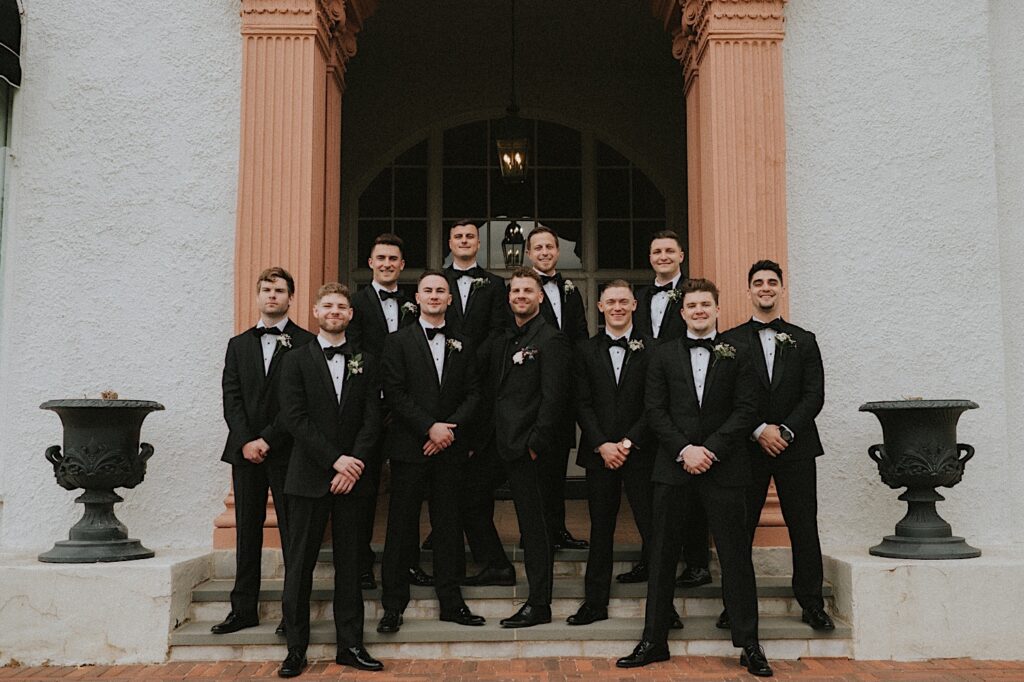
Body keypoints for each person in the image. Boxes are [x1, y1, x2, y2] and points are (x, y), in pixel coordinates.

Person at [617, 278, 773, 677]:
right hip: (674, 466)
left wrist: (711, 450)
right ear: (682, 312)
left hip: (726, 467)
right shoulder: (663, 355)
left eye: (706, 304)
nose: (699, 311)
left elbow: (746, 409)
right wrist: (684, 450)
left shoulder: (739, 353)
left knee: (736, 557)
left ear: (717, 310)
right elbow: (655, 410)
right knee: (663, 554)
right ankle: (653, 640)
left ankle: (749, 643)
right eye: (693, 306)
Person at [717, 260, 834, 632]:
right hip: (746, 450)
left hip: (795, 447)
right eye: (758, 282)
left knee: (803, 525)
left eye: (771, 282)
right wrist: (757, 430)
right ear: (748, 291)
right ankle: (734, 604)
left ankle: (811, 603)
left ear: (782, 289)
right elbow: (725, 398)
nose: (765, 287)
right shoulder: (729, 342)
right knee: (740, 528)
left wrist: (783, 431)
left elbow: (814, 396)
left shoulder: (805, 339)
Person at [277, 283, 384, 677]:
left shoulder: (366, 361)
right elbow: (294, 418)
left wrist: (353, 462)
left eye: (342, 306)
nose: (335, 311)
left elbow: (373, 418)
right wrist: (335, 460)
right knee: (300, 564)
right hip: (308, 477)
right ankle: (295, 649)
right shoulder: (296, 360)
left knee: (351, 564)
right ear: (315, 311)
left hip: (353, 479)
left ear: (350, 315)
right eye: (328, 305)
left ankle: (350, 645)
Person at [376, 271, 487, 634]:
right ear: (418, 298)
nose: (435, 296)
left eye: (442, 291)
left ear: (450, 299)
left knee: (449, 527)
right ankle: (392, 606)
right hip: (410, 448)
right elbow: (395, 393)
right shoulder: (397, 342)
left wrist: (447, 429)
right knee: (400, 528)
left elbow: (474, 394)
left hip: (450, 449)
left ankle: (451, 603)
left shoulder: (464, 343)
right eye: (429, 290)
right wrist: (429, 427)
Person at [213, 266, 315, 637]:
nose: (273, 295)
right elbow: (231, 397)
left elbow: (299, 404)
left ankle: (292, 616)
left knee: (293, 537)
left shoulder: (307, 343)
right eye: (267, 289)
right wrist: (246, 440)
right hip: (245, 451)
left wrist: (270, 440)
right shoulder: (237, 345)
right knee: (247, 533)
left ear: (291, 297)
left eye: (280, 290)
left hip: (289, 453)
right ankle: (243, 610)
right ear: (257, 296)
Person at [346, 233, 431, 590]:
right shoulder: (356, 303)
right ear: (370, 263)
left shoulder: (415, 302)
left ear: (401, 264)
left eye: (393, 259)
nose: (386, 264)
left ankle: (407, 562)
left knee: (407, 492)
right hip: (370, 407)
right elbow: (351, 351)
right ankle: (361, 564)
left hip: (407, 410)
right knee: (364, 490)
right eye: (380, 258)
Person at [567, 280, 655, 625]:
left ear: (634, 305)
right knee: (600, 529)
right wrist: (602, 444)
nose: (617, 307)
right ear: (600, 308)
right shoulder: (584, 350)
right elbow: (581, 403)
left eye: (623, 301)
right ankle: (594, 603)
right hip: (599, 453)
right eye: (610, 302)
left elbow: (654, 404)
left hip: (641, 452)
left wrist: (629, 442)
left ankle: (663, 606)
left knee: (652, 528)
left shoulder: (654, 348)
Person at [488, 268, 570, 628]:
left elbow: (555, 399)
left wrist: (535, 445)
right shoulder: (505, 338)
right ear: (509, 298)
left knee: (534, 529)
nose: (520, 296)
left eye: (527, 291)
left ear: (540, 298)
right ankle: (497, 565)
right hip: (496, 444)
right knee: (471, 498)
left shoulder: (550, 339)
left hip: (528, 449)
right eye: (515, 290)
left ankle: (539, 604)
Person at [441, 219, 518, 587]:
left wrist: (472, 357)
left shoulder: (496, 285)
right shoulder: (435, 284)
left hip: (484, 399)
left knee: (475, 485)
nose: (465, 240)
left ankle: (490, 561)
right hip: (441, 400)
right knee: (448, 484)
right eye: (458, 236)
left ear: (478, 243)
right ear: (450, 242)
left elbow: (502, 329)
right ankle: (450, 548)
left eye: (470, 236)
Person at [633, 230, 711, 589]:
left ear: (681, 255)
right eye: (656, 251)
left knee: (691, 488)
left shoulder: (694, 296)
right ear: (650, 258)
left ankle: (697, 563)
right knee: (649, 489)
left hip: (682, 403)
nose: (662, 256)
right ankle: (651, 559)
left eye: (669, 250)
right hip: (645, 398)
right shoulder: (640, 295)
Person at [526, 225, 589, 550]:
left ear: (557, 251)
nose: (545, 252)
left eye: (549, 246)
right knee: (533, 470)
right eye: (538, 248)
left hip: (562, 393)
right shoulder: (520, 290)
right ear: (528, 253)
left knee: (556, 468)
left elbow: (579, 336)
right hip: (530, 393)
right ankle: (534, 534)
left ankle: (557, 528)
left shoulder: (570, 290)